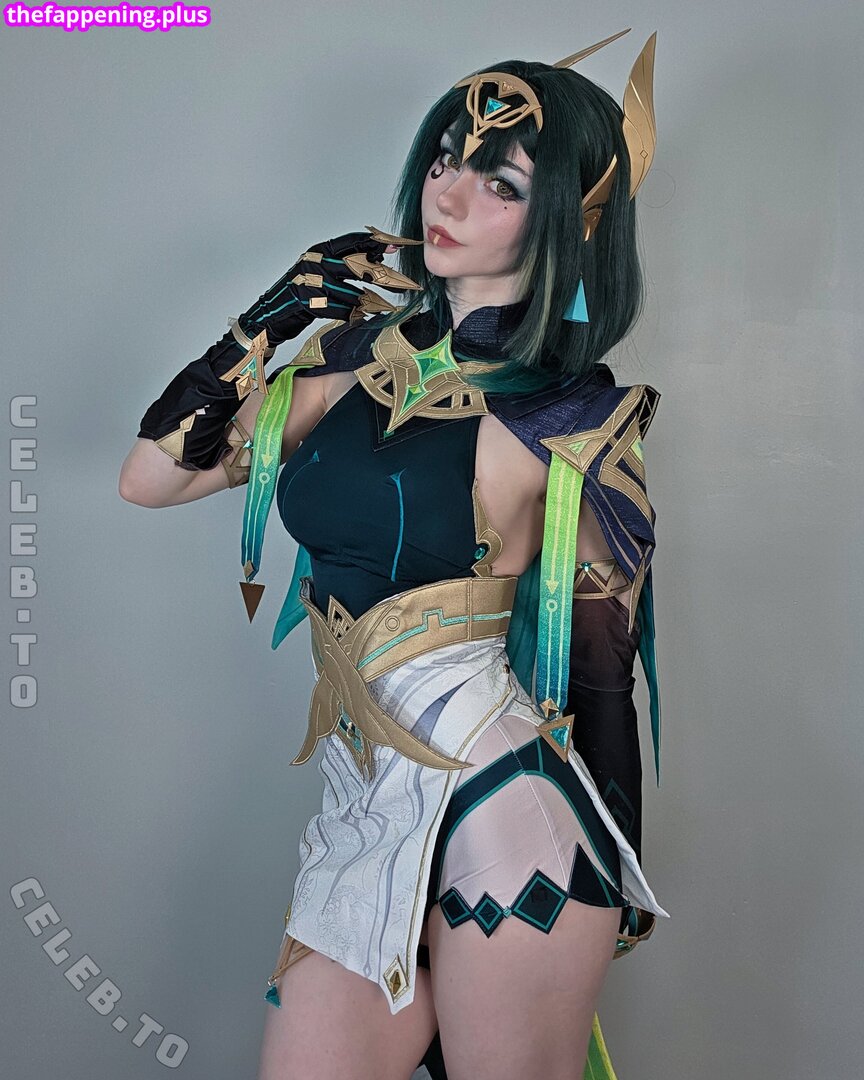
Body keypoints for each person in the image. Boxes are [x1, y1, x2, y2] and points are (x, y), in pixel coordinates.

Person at [118, 28, 667, 1080]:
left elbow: (605, 671)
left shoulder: (573, 424)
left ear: (570, 220)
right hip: (363, 808)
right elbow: (153, 477)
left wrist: (615, 874)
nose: (446, 194)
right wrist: (265, 320)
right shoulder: (345, 363)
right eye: (446, 158)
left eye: (500, 183)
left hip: (508, 824)